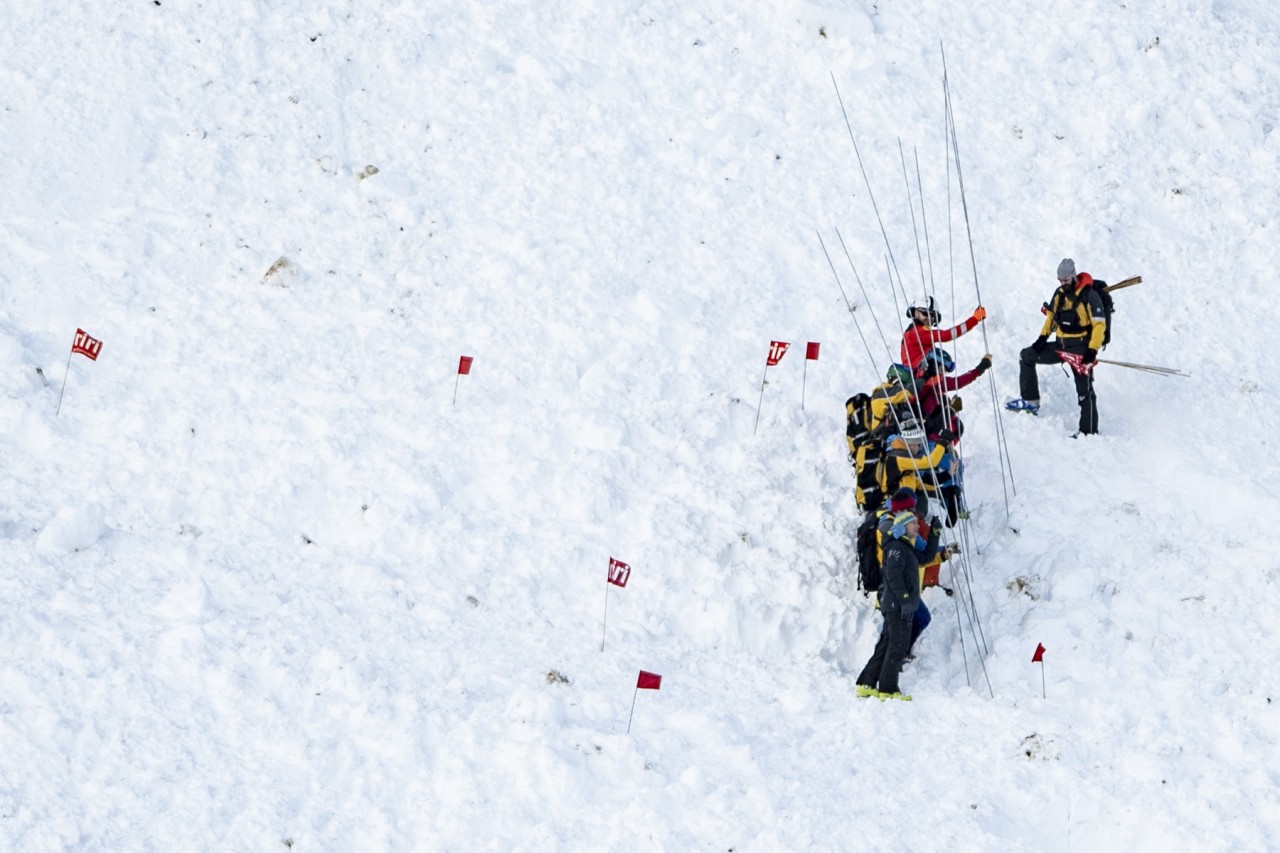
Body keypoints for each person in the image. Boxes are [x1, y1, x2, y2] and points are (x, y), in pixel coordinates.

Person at [1006, 258, 1107, 435]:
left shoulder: (1090, 295)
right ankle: (1030, 401)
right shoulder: (1059, 293)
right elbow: (1052, 318)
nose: (1062, 284)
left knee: (1085, 391)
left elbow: (1099, 325)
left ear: (1073, 276)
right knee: (1026, 356)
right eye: (1060, 280)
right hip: (1060, 346)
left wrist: (1092, 350)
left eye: (1065, 280)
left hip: (1080, 349)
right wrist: (1042, 339)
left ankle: (1088, 432)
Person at [855, 509, 940, 700]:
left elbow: (926, 558)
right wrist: (905, 600)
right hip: (897, 606)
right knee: (897, 647)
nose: (918, 527)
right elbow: (893, 577)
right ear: (902, 527)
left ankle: (865, 683)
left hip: (897, 605)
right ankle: (888, 688)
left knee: (887, 646)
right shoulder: (895, 547)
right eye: (913, 524)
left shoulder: (905, 548)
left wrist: (934, 534)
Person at [900, 296, 986, 377]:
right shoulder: (917, 332)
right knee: (936, 355)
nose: (929, 317)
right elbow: (946, 335)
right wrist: (974, 320)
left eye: (933, 315)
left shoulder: (915, 331)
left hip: (917, 378)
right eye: (925, 313)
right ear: (915, 313)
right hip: (917, 378)